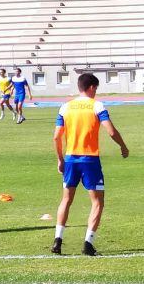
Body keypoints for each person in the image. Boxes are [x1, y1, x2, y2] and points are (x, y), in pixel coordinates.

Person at [52, 73, 130, 256]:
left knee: (66, 200)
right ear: (92, 87)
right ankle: (88, 243)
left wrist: (60, 159)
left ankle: (58, 240)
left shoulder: (65, 107)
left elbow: (56, 137)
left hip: (71, 159)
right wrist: (123, 146)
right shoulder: (97, 105)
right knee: (97, 202)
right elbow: (111, 131)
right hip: (90, 160)